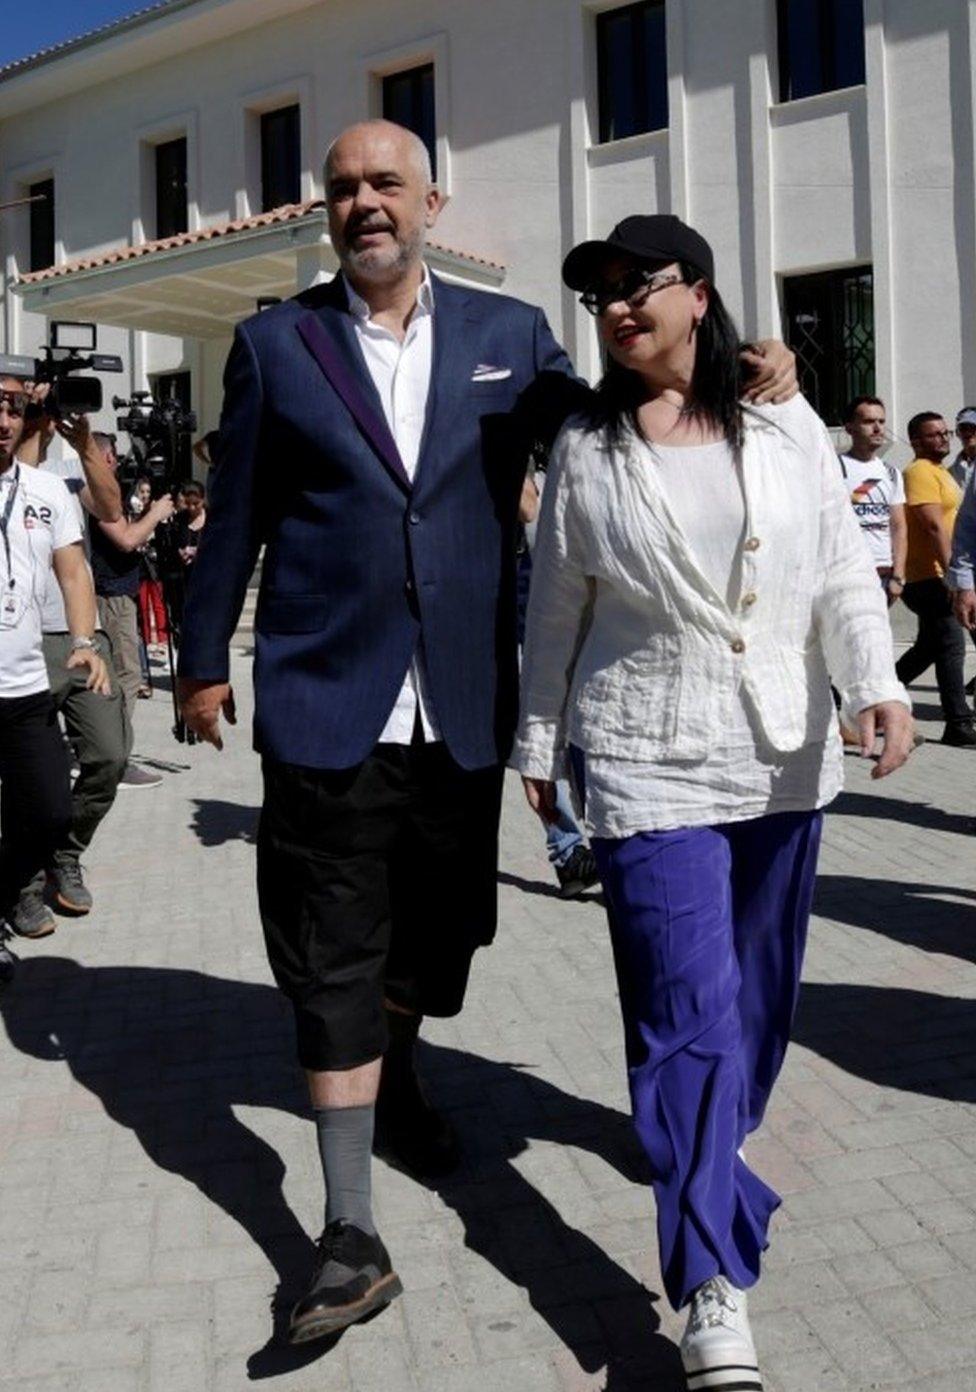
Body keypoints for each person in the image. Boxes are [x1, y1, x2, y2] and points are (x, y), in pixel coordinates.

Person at [176, 122, 799, 1347]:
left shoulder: (508, 338)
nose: (365, 204)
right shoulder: (272, 342)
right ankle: (347, 1232)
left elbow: (621, 413)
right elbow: (236, 511)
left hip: (465, 705)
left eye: (386, 185)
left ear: (429, 202)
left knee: (444, 935)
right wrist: (201, 667)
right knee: (331, 952)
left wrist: (740, 363)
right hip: (324, 697)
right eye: (344, 187)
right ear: (327, 209)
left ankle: (400, 1070)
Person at [514, 215, 913, 1392]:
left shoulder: (785, 420)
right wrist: (540, 738)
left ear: (699, 293)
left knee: (755, 1010)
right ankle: (710, 1286)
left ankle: (706, 1161)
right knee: (684, 1015)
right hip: (645, 760)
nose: (619, 308)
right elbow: (556, 606)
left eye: (640, 285)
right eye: (599, 296)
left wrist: (878, 680)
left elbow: (841, 570)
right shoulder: (585, 446)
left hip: (783, 755)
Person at [0, 375, 110, 972]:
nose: (3, 421)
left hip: (24, 687)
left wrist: (86, 640)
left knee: (48, 811)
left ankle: (14, 883)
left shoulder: (47, 490)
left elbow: (73, 573)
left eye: (13, 409)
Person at [518, 468, 597, 897]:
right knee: (541, 744)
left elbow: (529, 507)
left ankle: (583, 847)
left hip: (550, 616)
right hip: (515, 626)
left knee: (570, 734)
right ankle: (569, 850)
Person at [89, 433, 176, 785]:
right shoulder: (97, 494)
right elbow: (126, 539)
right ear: (104, 457)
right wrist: (155, 514)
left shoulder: (109, 492)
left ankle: (108, 754)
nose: (115, 462)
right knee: (126, 676)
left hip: (119, 593)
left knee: (122, 675)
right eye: (111, 456)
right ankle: (116, 760)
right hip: (111, 595)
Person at [895, 412, 975, 745]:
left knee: (928, 648)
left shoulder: (940, 472)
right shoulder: (918, 472)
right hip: (929, 576)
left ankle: (862, 696)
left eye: (945, 433)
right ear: (915, 441)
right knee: (951, 645)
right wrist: (954, 578)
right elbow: (933, 527)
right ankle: (957, 722)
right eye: (934, 435)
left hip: (938, 574)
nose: (944, 438)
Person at [839, 396, 907, 604]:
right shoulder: (834, 468)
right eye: (869, 422)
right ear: (849, 428)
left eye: (881, 421)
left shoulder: (891, 472)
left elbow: (898, 526)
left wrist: (898, 575)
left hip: (883, 575)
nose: (877, 428)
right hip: (846, 572)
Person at [949, 406, 976, 492]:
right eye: (964, 428)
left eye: (973, 428)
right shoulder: (952, 471)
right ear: (957, 433)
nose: (968, 433)